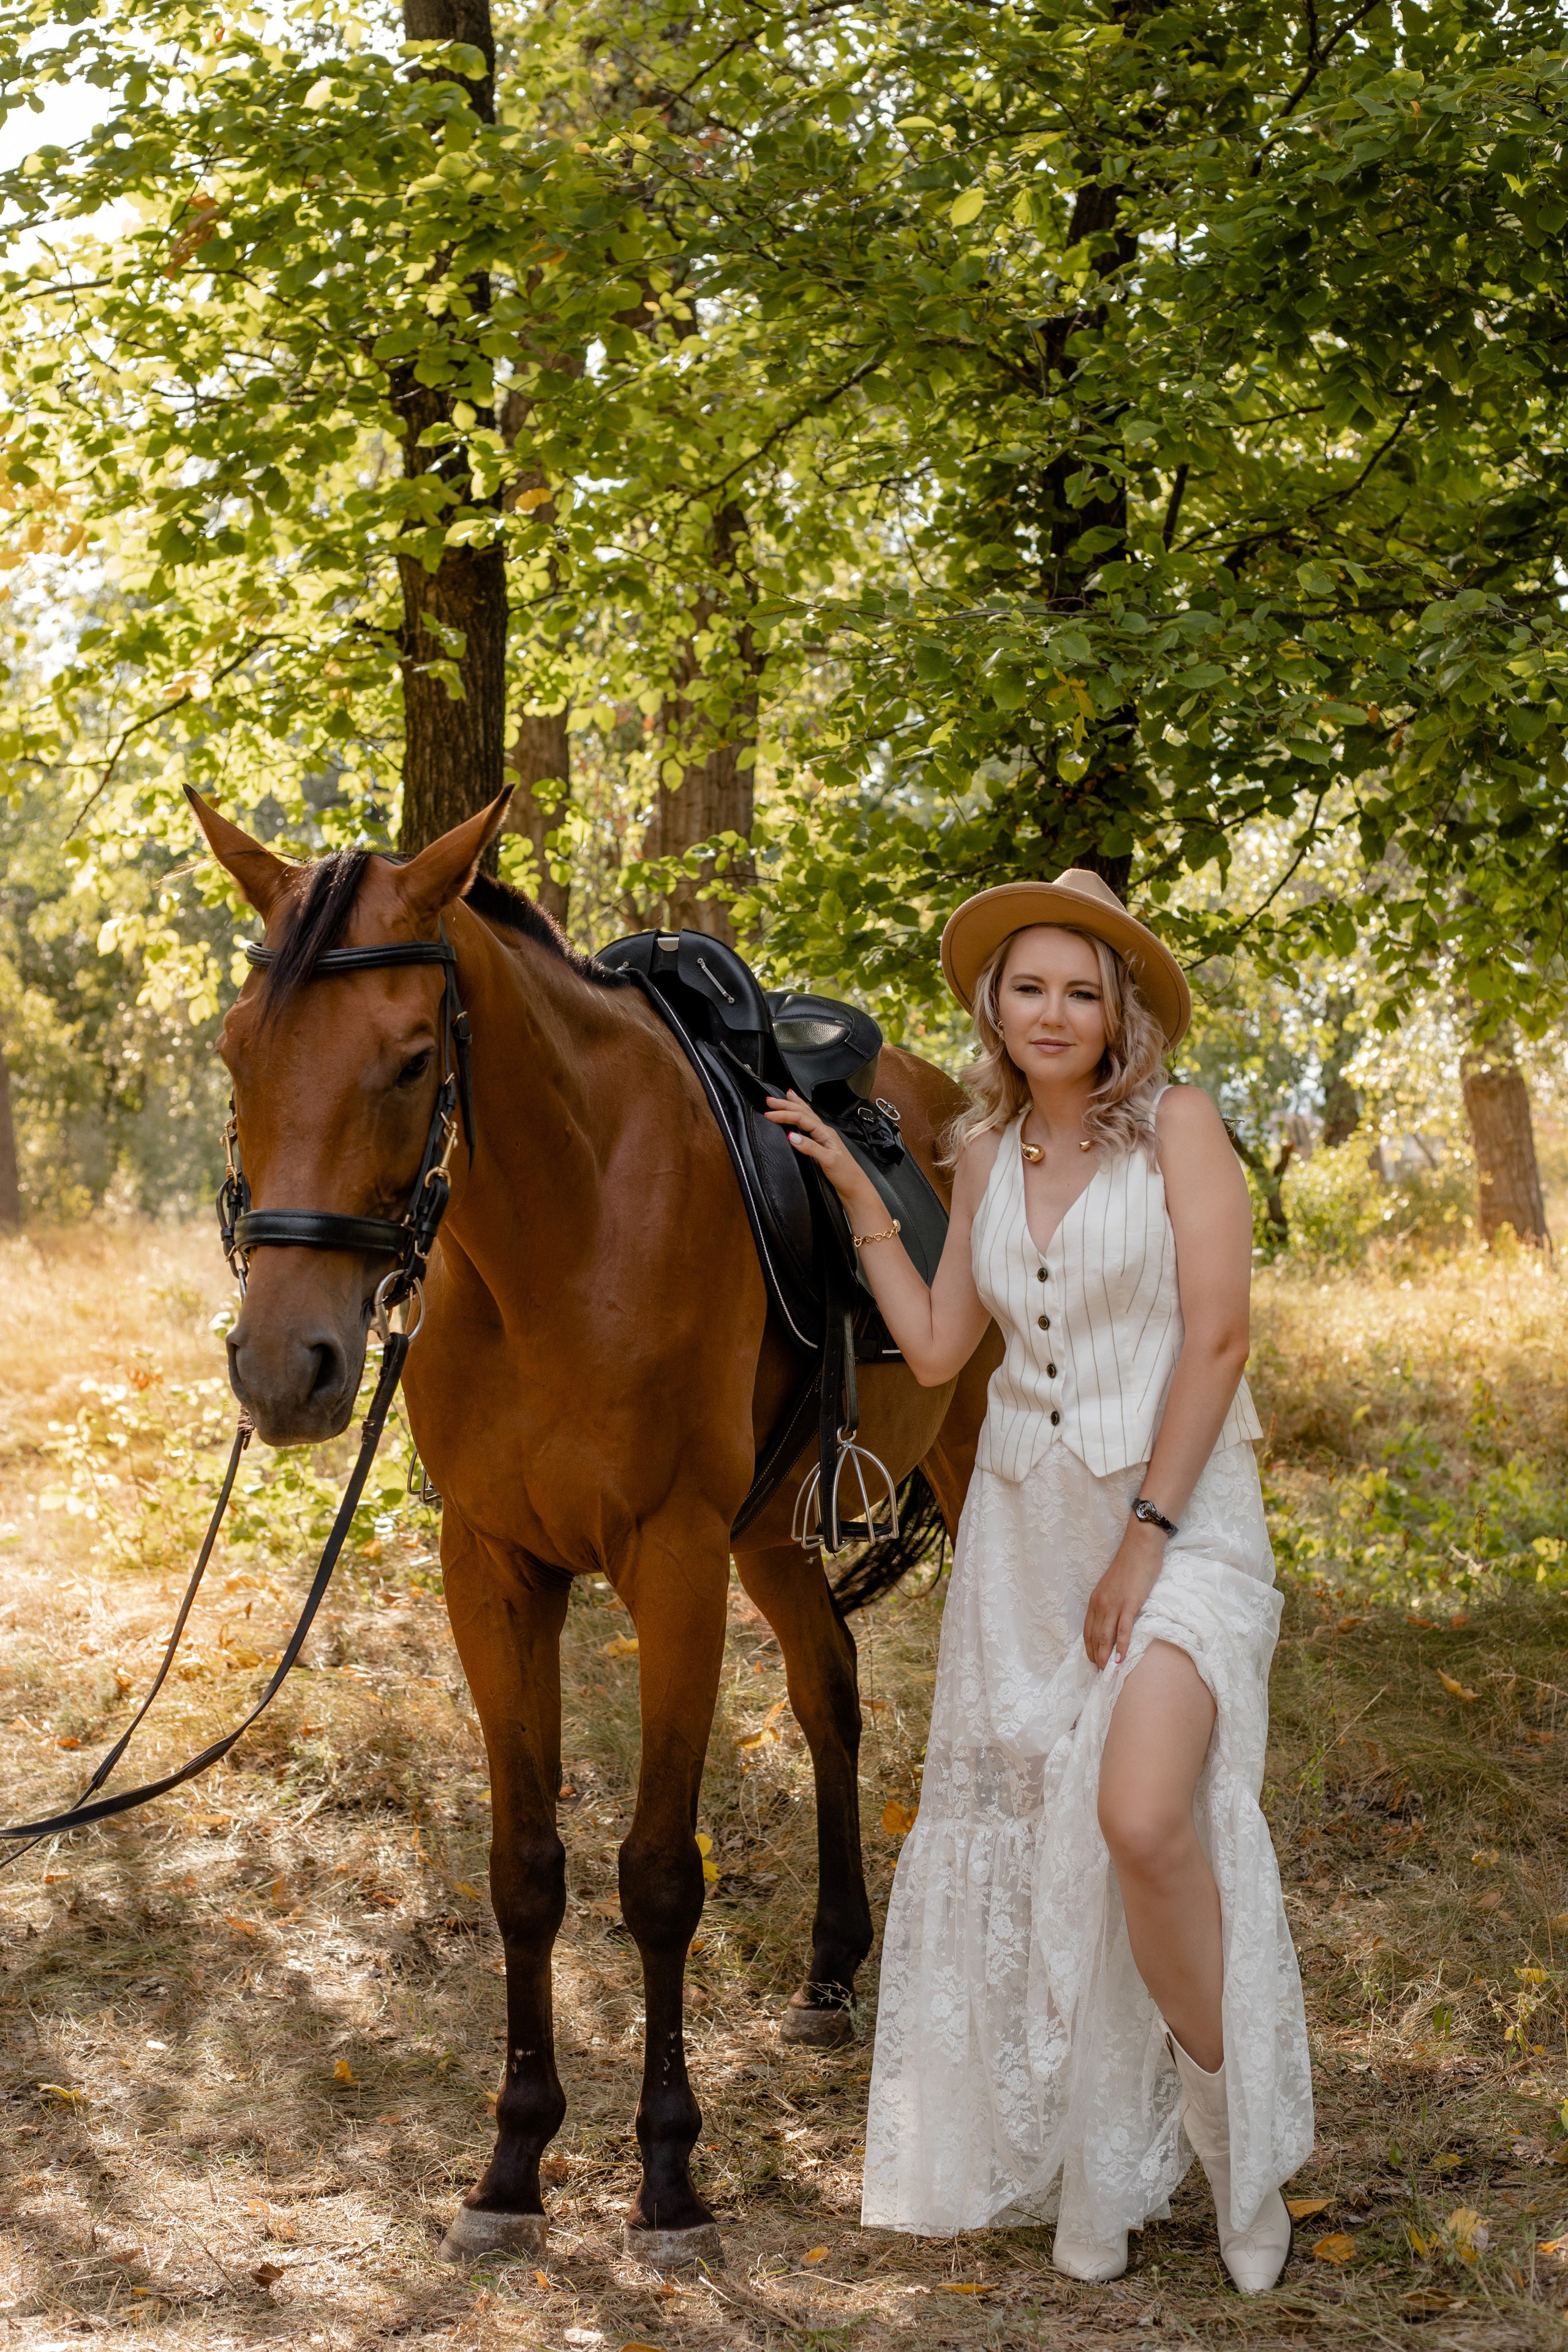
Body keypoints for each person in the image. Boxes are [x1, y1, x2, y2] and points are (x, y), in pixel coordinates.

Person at [765, 869, 1311, 2292]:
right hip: (1018, 1539)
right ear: (992, 1009)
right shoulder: (982, 1150)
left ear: (1118, 1010)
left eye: (1082, 989)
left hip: (1177, 1523)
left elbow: (1218, 1342)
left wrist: (1143, 1536)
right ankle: (1091, 2165)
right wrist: (857, 1197)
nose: (1054, 1012)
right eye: (1029, 989)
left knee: (1138, 1822)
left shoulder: (1178, 1129)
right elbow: (942, 1351)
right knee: (1049, 1855)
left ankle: (1221, 2130)